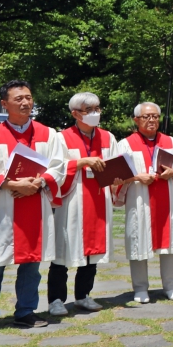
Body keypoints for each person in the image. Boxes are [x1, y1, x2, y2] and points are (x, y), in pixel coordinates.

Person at [0, 80, 65, 328]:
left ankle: (25, 311)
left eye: (29, 97)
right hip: (2, 208)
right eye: (18, 99)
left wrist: (40, 182)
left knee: (32, 263)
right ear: (5, 104)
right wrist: (10, 184)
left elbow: (59, 165)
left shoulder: (49, 134)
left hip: (36, 204)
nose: (25, 102)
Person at [49, 92, 119, 317]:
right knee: (63, 250)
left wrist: (117, 177)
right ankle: (56, 299)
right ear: (75, 113)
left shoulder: (108, 137)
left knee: (92, 252)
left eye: (97, 108)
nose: (95, 113)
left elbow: (116, 167)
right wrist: (81, 162)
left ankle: (83, 295)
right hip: (73, 200)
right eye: (89, 110)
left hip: (99, 198)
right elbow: (55, 168)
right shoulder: (61, 138)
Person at [113, 102, 173, 303]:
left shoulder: (171, 142)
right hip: (139, 199)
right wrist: (137, 177)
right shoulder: (126, 144)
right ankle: (140, 288)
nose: (151, 120)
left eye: (155, 116)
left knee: (169, 243)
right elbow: (115, 173)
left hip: (165, 199)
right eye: (146, 117)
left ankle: (170, 286)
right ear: (136, 119)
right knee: (138, 241)